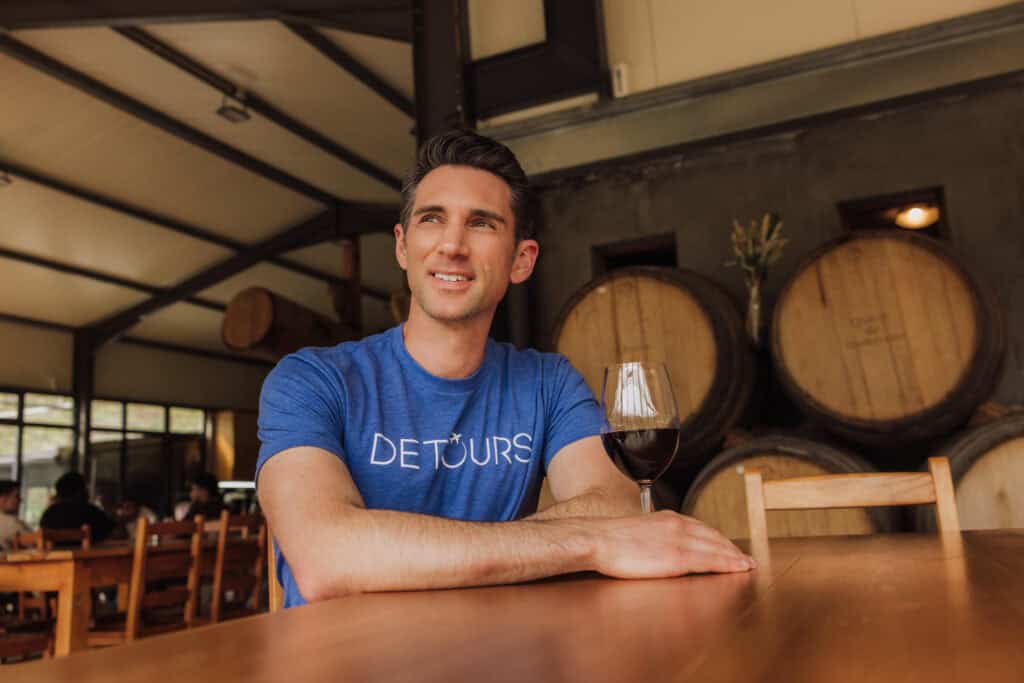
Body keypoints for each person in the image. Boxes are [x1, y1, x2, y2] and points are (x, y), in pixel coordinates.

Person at [257, 130, 753, 608]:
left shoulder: (549, 383)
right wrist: (585, 543)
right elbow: (327, 558)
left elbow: (613, 507)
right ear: (403, 246)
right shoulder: (311, 381)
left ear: (521, 260)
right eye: (432, 219)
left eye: (481, 223)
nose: (452, 244)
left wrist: (400, 551)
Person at [39, 471, 115, 544]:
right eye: (85, 488)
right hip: (88, 557)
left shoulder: (48, 515)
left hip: (55, 557)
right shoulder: (90, 512)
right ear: (79, 492)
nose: (88, 492)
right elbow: (113, 533)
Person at [0, 480, 30, 552]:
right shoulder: (9, 522)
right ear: (3, 499)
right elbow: (36, 543)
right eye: (17, 496)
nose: (20, 500)